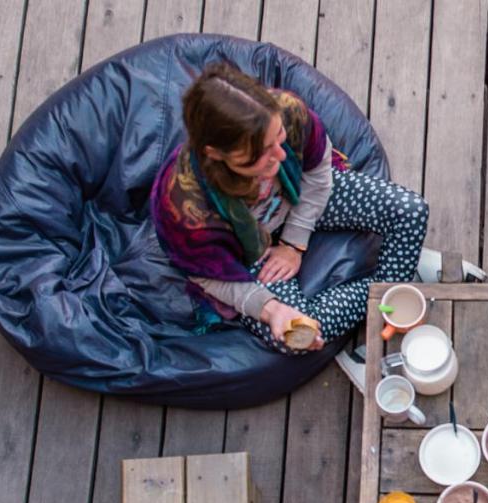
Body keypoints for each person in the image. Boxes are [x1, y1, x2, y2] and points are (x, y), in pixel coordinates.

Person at [150, 62, 428, 353]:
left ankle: (389, 293)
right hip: (247, 253)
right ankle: (388, 296)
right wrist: (272, 311)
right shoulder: (185, 209)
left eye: (279, 138)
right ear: (216, 155)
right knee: (300, 335)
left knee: (411, 210)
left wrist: (294, 242)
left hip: (301, 198)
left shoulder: (288, 110)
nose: (281, 156)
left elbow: (319, 174)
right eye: (259, 155)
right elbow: (208, 277)